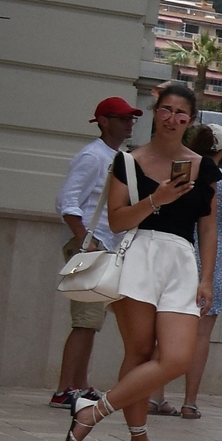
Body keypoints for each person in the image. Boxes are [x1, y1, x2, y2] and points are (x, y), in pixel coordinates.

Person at [64, 83, 218, 441]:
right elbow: (117, 219)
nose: (172, 118)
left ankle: (92, 411)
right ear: (155, 112)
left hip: (182, 261)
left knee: (177, 357)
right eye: (165, 110)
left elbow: (210, 228)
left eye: (181, 113)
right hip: (140, 253)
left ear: (191, 119)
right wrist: (156, 199)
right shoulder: (128, 162)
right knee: (139, 352)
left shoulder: (204, 166)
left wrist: (207, 278)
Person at [52, 96, 140, 406]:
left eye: (132, 118)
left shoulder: (119, 157)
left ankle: (79, 384)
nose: (129, 123)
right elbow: (67, 200)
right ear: (104, 121)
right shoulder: (93, 156)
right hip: (93, 246)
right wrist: (85, 240)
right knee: (85, 321)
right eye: (122, 117)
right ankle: (66, 388)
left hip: (103, 247)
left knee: (91, 321)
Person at [171, 123, 222, 419]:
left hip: (178, 249)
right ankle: (190, 401)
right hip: (215, 257)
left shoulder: (181, 170)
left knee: (165, 328)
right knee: (201, 335)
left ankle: (154, 395)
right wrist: (220, 229)